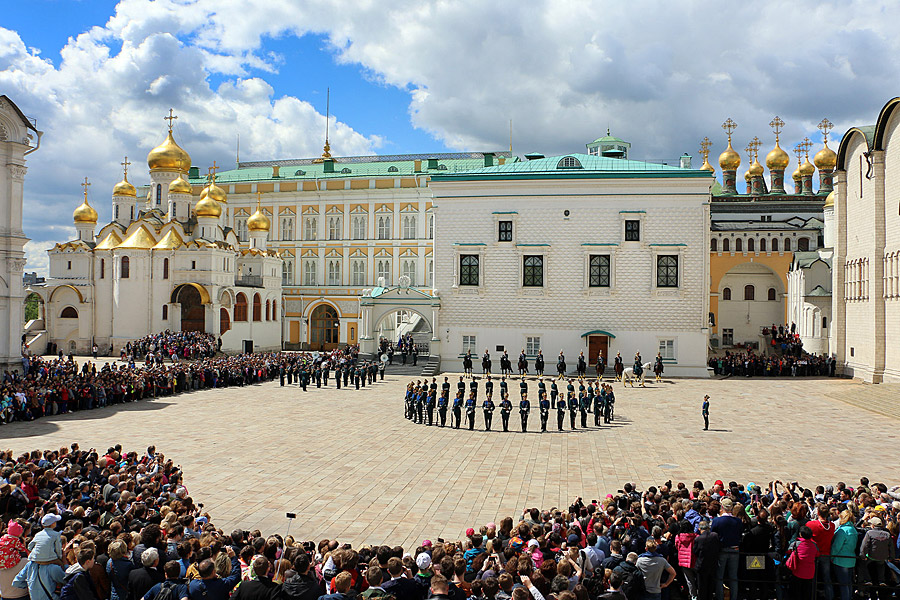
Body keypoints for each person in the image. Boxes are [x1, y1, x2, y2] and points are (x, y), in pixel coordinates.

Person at [830, 510, 858, 600]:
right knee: (848, 583)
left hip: (841, 560)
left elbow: (836, 546)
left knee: (843, 585)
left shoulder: (842, 531)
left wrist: (831, 557)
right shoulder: (853, 529)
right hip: (851, 560)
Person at [787, 526, 818, 600]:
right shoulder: (814, 545)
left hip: (797, 571)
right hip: (810, 573)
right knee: (807, 593)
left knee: (797, 592)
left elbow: (788, 552)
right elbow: (817, 554)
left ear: (801, 534)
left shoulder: (795, 544)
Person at [692, 521, 720, 600]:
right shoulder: (715, 536)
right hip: (712, 564)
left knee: (702, 588)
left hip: (701, 565)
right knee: (710, 587)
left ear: (700, 529)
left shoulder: (698, 539)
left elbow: (695, 552)